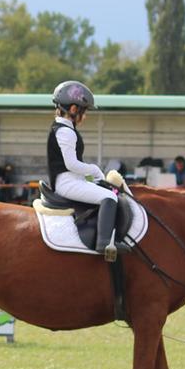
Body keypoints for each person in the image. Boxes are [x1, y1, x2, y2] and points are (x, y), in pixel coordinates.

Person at [47, 81, 118, 256]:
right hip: (66, 183)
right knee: (110, 197)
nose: (85, 116)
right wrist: (94, 170)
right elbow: (71, 164)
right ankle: (104, 244)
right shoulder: (65, 131)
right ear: (73, 109)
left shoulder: (65, 129)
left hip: (72, 180)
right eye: (84, 111)